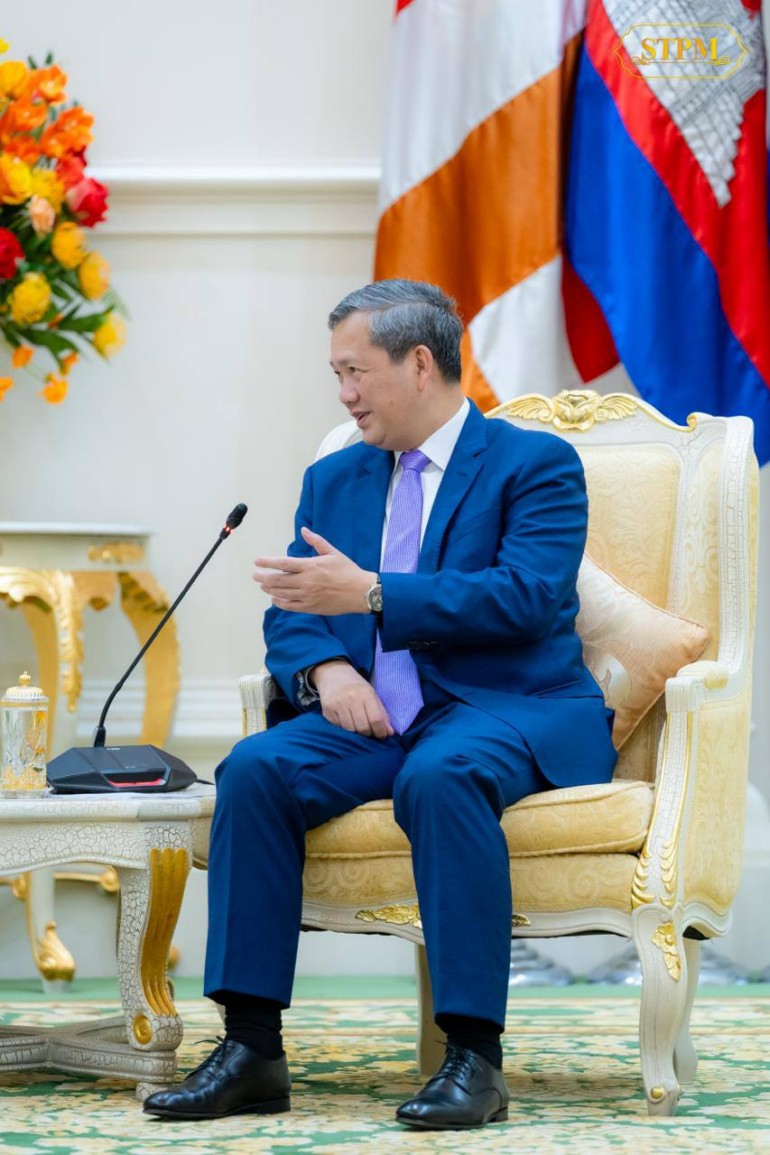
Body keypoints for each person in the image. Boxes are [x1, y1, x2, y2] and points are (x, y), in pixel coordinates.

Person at [143, 279, 617, 1130]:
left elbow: (526, 597)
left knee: (442, 773)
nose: (344, 394)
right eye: (337, 374)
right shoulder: (334, 478)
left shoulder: (535, 465)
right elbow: (293, 609)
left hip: (501, 707)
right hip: (371, 718)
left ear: (420, 363)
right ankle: (250, 1048)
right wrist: (329, 671)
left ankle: (473, 1056)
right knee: (254, 768)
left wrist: (372, 595)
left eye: (355, 372)